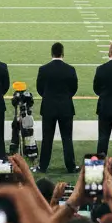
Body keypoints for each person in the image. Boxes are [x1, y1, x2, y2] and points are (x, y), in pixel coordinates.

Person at [36, 42, 78, 173]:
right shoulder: (70, 69)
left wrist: (49, 97)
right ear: (62, 53)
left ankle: (43, 166)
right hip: (65, 108)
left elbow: (40, 89)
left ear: (52, 53)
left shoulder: (44, 69)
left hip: (49, 108)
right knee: (67, 139)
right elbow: (73, 89)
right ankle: (70, 166)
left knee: (47, 139)